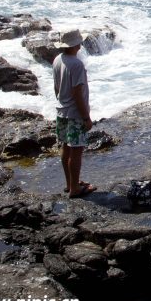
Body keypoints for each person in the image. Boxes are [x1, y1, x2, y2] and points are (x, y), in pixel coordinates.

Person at [53, 30, 95, 198]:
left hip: (61, 110)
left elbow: (56, 87)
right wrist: (86, 117)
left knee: (65, 147)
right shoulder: (76, 65)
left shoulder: (58, 60)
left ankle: (70, 183)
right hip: (75, 113)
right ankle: (75, 189)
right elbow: (77, 94)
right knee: (76, 150)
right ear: (76, 45)